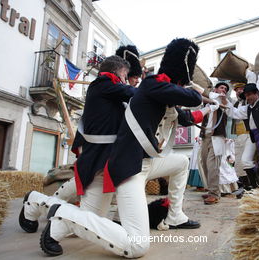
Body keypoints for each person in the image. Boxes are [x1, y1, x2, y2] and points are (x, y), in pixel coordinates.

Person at [39, 38, 210, 258]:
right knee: (137, 246)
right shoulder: (151, 84)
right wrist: (197, 90)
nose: (134, 80)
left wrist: (205, 110)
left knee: (182, 162)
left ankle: (175, 215)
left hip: (145, 162)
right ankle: (62, 214)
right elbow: (193, 98)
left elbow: (184, 115)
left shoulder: (158, 90)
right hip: (129, 166)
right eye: (131, 76)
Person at [18, 56, 136, 234]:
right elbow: (133, 93)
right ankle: (35, 202)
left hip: (108, 153)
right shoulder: (103, 84)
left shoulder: (110, 88)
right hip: (98, 152)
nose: (127, 79)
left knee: (90, 217)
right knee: (86, 216)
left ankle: (40, 205)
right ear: (118, 72)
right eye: (125, 75)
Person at [199, 82, 231, 205]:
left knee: (212, 165)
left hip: (217, 137)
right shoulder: (208, 101)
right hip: (205, 136)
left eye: (226, 89)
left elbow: (228, 108)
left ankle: (214, 194)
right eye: (221, 88)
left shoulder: (225, 102)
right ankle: (210, 189)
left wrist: (222, 99)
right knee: (205, 163)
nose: (224, 90)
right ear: (215, 89)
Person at [230, 82, 257, 198]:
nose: (238, 92)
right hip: (238, 135)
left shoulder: (249, 101)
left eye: (240, 89)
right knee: (239, 163)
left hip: (249, 134)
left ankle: (253, 186)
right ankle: (245, 187)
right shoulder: (236, 103)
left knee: (247, 161)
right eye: (236, 90)